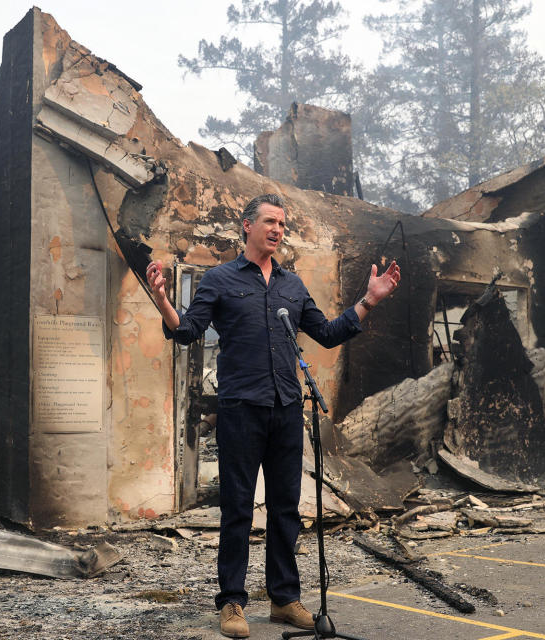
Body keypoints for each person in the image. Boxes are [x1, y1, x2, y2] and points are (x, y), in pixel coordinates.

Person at [145, 193, 400, 638]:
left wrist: (369, 301)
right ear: (247, 226)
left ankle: (284, 599)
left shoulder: (293, 286)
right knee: (238, 509)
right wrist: (163, 299)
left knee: (285, 509)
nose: (277, 229)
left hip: (286, 408)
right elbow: (187, 332)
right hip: (240, 409)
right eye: (269, 221)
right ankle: (231, 604)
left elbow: (326, 333)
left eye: (282, 223)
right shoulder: (219, 280)